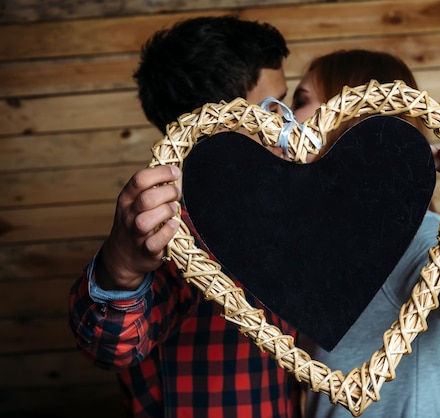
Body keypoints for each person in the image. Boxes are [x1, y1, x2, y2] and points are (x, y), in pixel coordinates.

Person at [68, 16, 301, 417]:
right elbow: (114, 345)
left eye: (288, 102)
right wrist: (121, 271)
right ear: (212, 124)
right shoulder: (172, 234)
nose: (288, 123)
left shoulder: (284, 212)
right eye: (269, 108)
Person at [290, 49, 440, 417]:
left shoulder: (412, 240)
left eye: (302, 101)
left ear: (353, 120)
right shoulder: (306, 242)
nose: (286, 116)